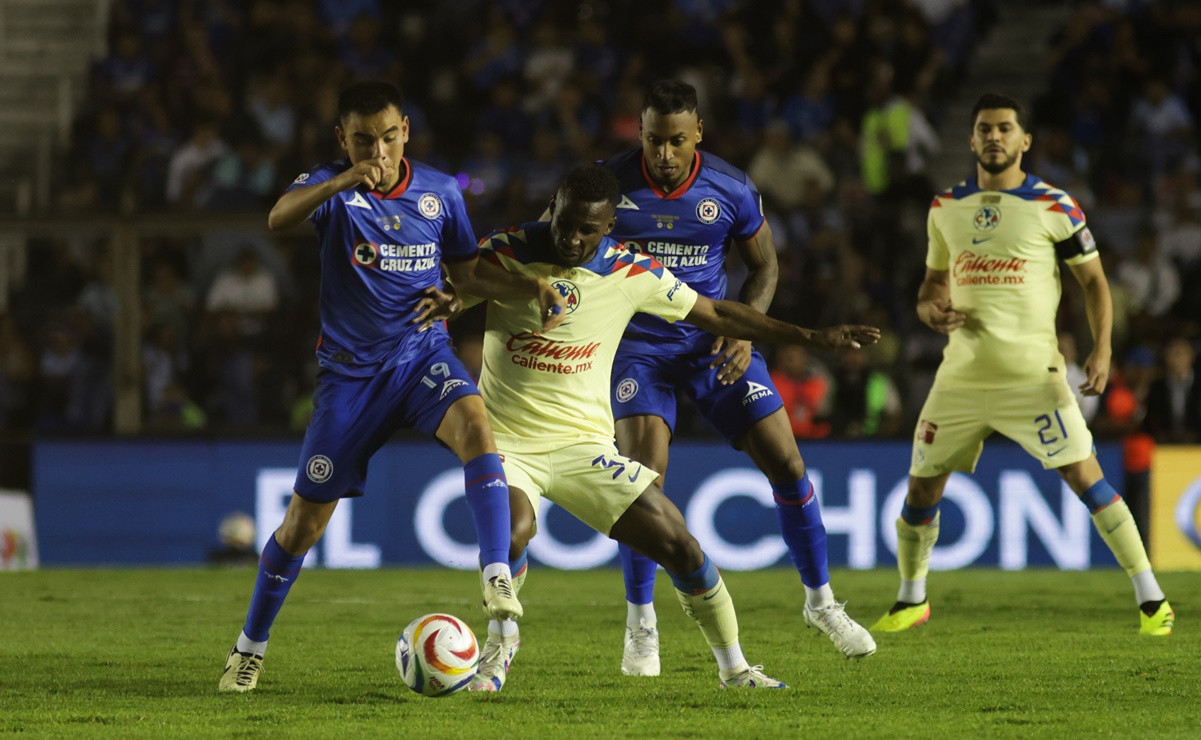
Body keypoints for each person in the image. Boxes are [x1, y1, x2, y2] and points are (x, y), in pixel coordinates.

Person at [440, 164, 880, 692]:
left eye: (588, 229)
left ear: (609, 228)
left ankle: (735, 669)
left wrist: (810, 336)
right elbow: (446, 295)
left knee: (683, 546)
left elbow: (717, 312)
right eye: (566, 223)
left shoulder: (632, 271)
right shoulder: (503, 252)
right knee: (513, 529)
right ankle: (498, 649)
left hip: (584, 446)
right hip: (507, 443)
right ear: (552, 207)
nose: (572, 238)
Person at [218, 81, 567, 693]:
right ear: (342, 140)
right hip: (350, 378)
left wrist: (523, 289)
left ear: (405, 129)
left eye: (385, 137)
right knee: (302, 525)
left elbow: (466, 275)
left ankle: (494, 575)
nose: (376, 151)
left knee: (477, 427)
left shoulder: (439, 192)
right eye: (361, 141)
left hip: (420, 357)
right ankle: (250, 647)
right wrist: (340, 182)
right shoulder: (331, 186)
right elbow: (277, 218)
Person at [549, 80, 876, 675]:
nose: (664, 154)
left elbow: (765, 265)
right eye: (653, 140)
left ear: (698, 132)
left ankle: (822, 603)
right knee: (642, 482)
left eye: (676, 140)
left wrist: (747, 331)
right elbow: (558, 240)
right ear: (640, 133)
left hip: (715, 340)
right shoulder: (609, 184)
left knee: (788, 463)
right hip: (637, 348)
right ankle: (641, 623)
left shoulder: (730, 188)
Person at [871, 93, 1174, 637]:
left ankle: (1151, 598)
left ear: (1024, 141)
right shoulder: (945, 207)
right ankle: (911, 598)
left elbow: (1096, 282)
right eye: (984, 128)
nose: (994, 137)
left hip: (1034, 378)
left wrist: (1102, 349)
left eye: (1005, 128)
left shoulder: (1056, 206)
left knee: (1087, 478)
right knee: (920, 489)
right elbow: (932, 283)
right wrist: (926, 307)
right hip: (960, 377)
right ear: (971, 140)